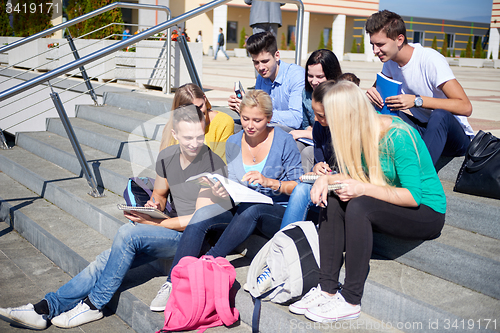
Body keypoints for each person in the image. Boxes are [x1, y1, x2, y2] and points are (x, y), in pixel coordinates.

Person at [0, 105, 226, 330]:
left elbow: (197, 220)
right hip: (167, 229)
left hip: (194, 240)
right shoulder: (168, 156)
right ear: (175, 134)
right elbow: (159, 193)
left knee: (128, 234)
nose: (194, 143)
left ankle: (94, 304)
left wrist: (154, 222)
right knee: (104, 260)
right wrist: (152, 206)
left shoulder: (212, 165)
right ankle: (46, 308)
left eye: (199, 136)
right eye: (187, 137)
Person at [288, 81, 446, 322]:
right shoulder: (357, 134)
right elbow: (354, 177)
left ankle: (351, 299)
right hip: (388, 200)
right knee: (334, 197)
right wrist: (327, 181)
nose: (319, 122)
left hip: (426, 211)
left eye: (323, 117)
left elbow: (413, 197)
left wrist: (361, 188)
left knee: (360, 205)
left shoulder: (398, 136)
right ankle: (327, 289)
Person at [150, 90, 303, 310]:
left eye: (257, 120)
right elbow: (232, 182)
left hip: (273, 211)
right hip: (240, 209)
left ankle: (209, 262)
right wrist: (221, 190)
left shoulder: (283, 141)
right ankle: (172, 283)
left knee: (254, 209)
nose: (250, 125)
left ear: (269, 119)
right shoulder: (233, 142)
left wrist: (270, 182)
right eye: (245, 118)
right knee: (203, 214)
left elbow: (299, 186)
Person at [365, 10, 473, 165]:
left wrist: (417, 101)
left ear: (399, 39)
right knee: (379, 114)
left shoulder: (429, 60)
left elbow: (465, 106)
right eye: (373, 45)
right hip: (424, 129)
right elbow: (378, 96)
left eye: (380, 44)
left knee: (440, 115)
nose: (375, 51)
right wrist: (371, 94)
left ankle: (420, 178)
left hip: (455, 137)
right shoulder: (389, 62)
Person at [228, 31, 305, 131]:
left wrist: (260, 114)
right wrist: (243, 108)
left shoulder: (296, 75)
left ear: (277, 56)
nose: (260, 67)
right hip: (268, 125)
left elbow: (296, 118)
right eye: (256, 62)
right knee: (229, 125)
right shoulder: (262, 77)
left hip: (293, 132)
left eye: (265, 61)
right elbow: (257, 112)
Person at [288, 49, 342, 171]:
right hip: (315, 138)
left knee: (307, 153)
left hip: (331, 145)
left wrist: (306, 133)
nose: (314, 81)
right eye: (310, 76)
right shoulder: (306, 93)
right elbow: (307, 125)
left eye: (320, 76)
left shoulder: (340, 96)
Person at [160, 83, 234, 162]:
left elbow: (220, 163)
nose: (198, 113)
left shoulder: (223, 122)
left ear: (204, 99)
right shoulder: (173, 126)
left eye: (200, 107)